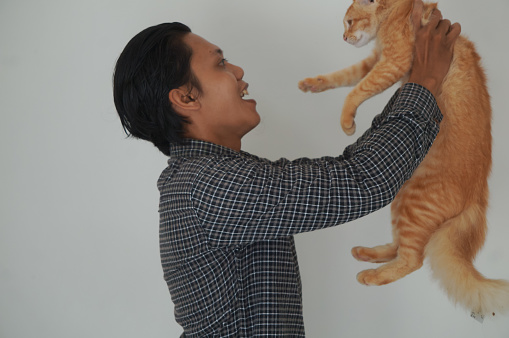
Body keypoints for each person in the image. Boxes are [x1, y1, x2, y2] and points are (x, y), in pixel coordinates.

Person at [113, 0, 461, 336]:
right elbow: (363, 179)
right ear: (187, 97)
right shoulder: (208, 186)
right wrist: (425, 82)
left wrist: (418, 81)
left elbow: (349, 170)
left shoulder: (216, 176)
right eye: (221, 64)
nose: (238, 72)